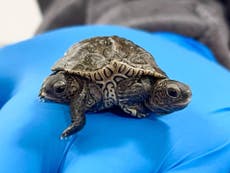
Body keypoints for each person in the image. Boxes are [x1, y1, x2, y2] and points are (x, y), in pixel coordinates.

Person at [0, 25, 230, 173]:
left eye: (176, 94)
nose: (180, 97)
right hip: (86, 46)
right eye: (172, 93)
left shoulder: (149, 87)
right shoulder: (79, 82)